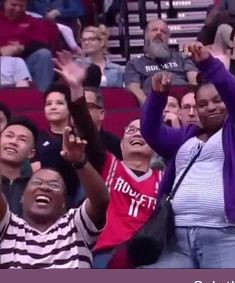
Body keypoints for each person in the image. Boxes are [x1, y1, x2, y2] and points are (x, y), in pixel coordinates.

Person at [140, 42, 235, 268]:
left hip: (227, 236)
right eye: (202, 104)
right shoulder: (185, 137)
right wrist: (157, 98)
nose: (210, 107)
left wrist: (210, 65)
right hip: (175, 240)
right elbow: (150, 131)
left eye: (218, 100)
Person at [52, 52, 162, 268]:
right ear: (121, 144)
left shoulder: (164, 178)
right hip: (105, 253)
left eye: (143, 132)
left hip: (148, 256)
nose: (137, 134)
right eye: (130, 131)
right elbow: (87, 130)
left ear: (155, 146)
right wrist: (76, 90)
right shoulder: (108, 163)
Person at [0, 126, 109, 269]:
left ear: (64, 202)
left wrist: (80, 162)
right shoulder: (8, 227)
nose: (44, 187)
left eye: (54, 185)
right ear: (22, 197)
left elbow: (101, 201)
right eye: (37, 182)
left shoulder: (76, 226)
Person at [125, 20, 198, 104]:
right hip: (155, 103)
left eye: (163, 32)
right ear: (146, 35)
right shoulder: (134, 64)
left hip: (185, 104)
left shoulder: (181, 57)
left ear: (168, 38)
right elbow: (134, 89)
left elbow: (194, 81)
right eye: (154, 30)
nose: (159, 33)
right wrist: (150, 108)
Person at [0, 0, 55, 92]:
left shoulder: (33, 21)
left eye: (21, 6)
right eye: (13, 5)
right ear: (4, 3)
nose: (17, 9)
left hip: (25, 63)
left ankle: (41, 99)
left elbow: (45, 45)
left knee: (44, 54)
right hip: (2, 62)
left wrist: (22, 48)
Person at [0, 118, 37, 215]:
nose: (13, 142)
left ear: (31, 153)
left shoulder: (35, 189)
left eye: (22, 139)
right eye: (9, 136)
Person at [84, 87, 122, 160]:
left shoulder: (114, 144)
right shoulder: (64, 142)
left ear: (101, 114)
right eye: (77, 106)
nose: (80, 110)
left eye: (87, 106)